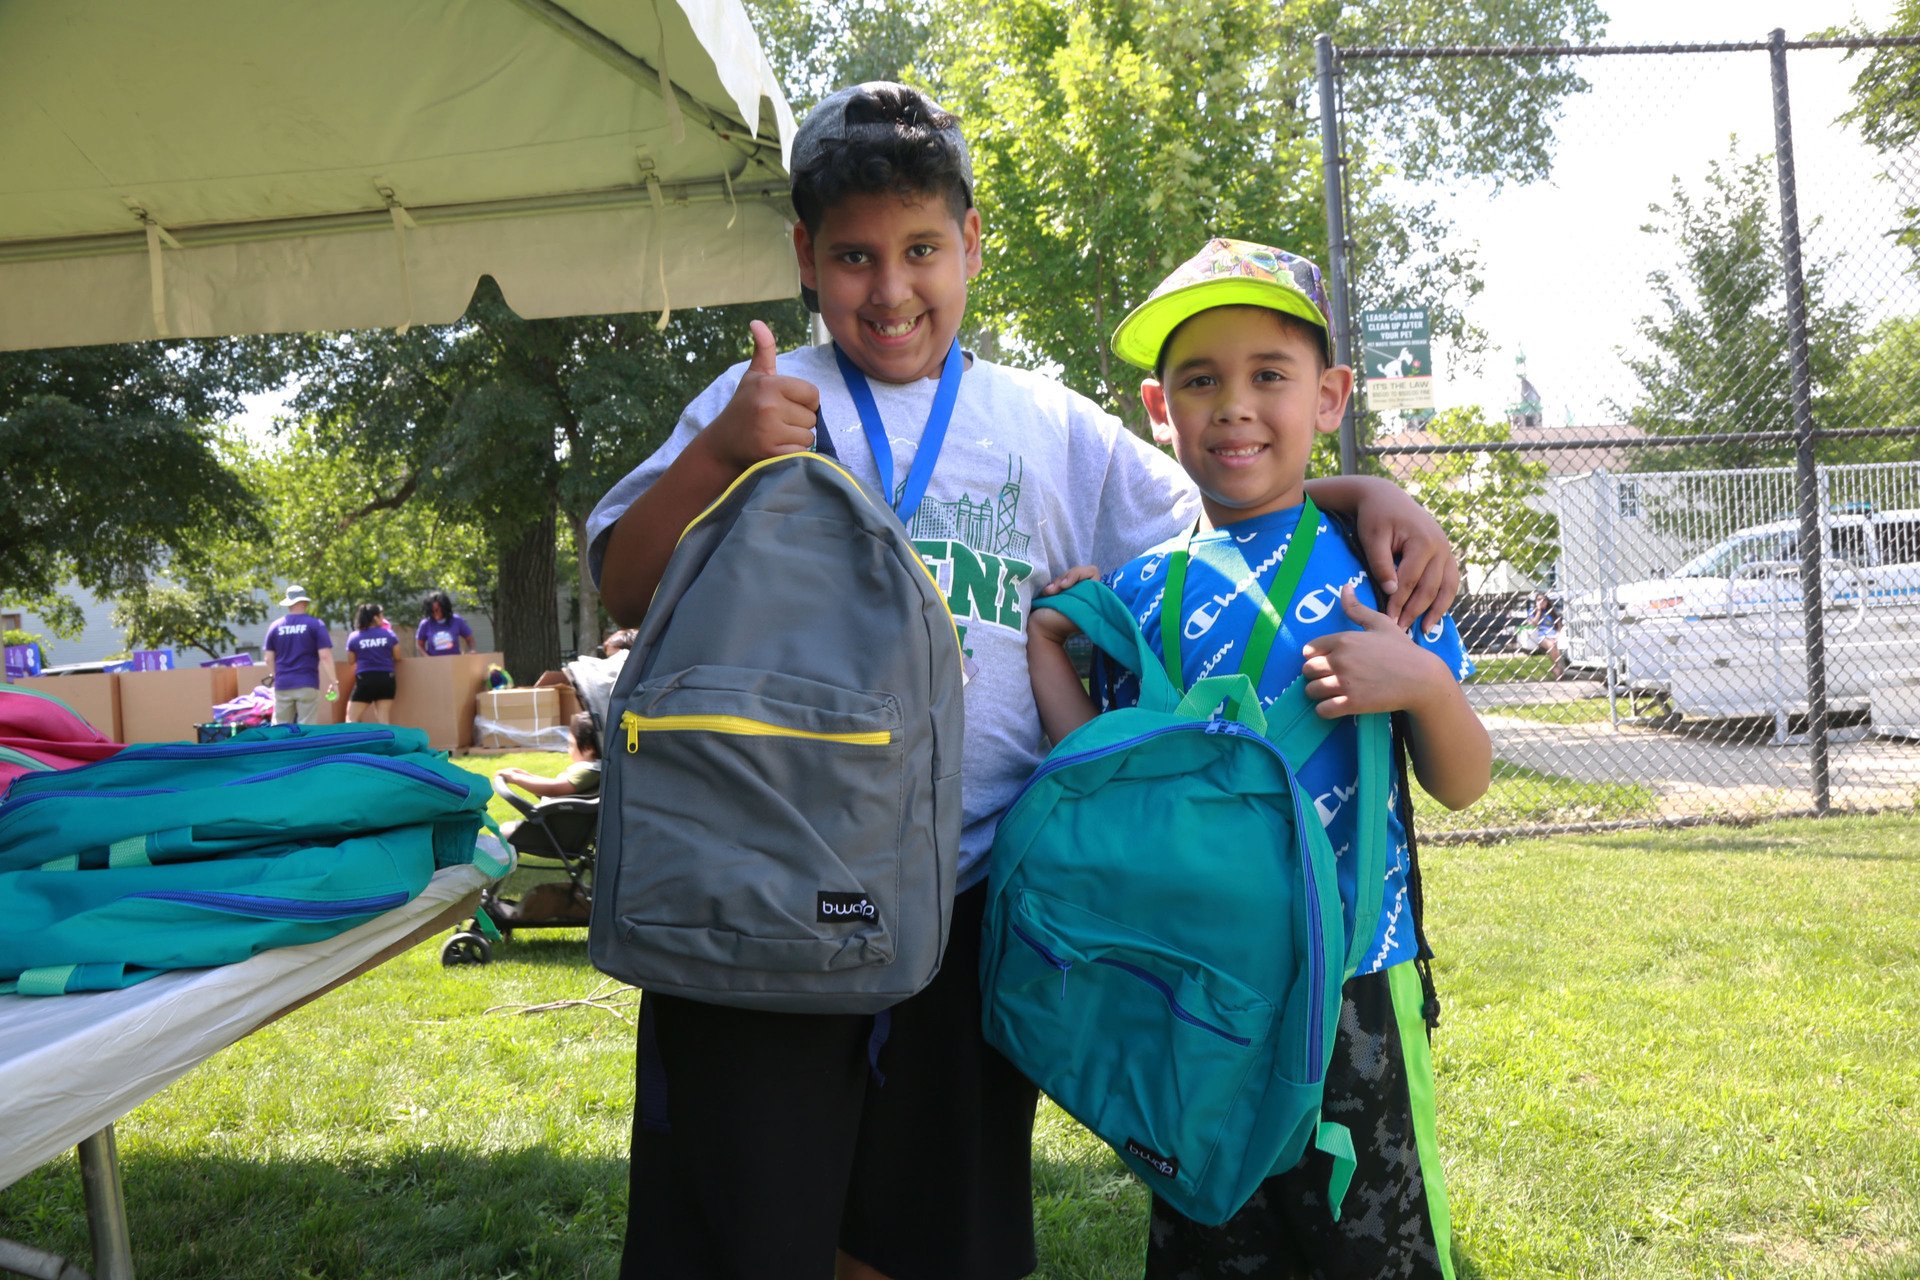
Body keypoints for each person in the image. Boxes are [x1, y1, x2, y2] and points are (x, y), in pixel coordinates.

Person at [585, 83, 1462, 1280]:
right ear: (804, 256)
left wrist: (1362, 495)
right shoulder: (762, 403)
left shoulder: (1047, 428)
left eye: (921, 250)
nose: (890, 289)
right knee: (751, 1229)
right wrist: (719, 450)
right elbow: (630, 583)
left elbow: (1226, 517)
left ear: (972, 242)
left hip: (970, 899)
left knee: (936, 1232)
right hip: (766, 901)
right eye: (852, 256)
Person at [1027, 238, 1493, 1280]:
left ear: (1329, 396)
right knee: (1211, 1237)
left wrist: (1419, 682)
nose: (1234, 405)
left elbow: (1463, 782)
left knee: (1375, 1253)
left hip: (1358, 990)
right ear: (1162, 408)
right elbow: (1099, 772)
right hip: (1197, 992)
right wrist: (1048, 646)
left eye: (1268, 376)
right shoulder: (1144, 590)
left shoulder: (1380, 569)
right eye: (1202, 380)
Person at [261, 585, 338, 725]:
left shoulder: (275, 626)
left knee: (280, 728)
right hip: (307, 683)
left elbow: (268, 658)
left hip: (283, 684)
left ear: (288, 603)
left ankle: (277, 747)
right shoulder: (315, 624)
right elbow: (325, 656)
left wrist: (276, 676)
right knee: (306, 728)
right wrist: (334, 682)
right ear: (305, 602)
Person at [494, 711, 602, 804]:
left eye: (571, 744)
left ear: (588, 748)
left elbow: (553, 788)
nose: (568, 749)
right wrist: (527, 776)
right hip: (558, 819)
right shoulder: (592, 770)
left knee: (507, 828)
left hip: (559, 823)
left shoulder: (590, 771)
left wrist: (515, 778)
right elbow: (551, 786)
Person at [344, 603, 401, 723]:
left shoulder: (354, 637)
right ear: (375, 618)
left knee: (352, 718)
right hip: (387, 679)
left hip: (366, 680)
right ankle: (387, 741)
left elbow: (351, 661)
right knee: (383, 717)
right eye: (381, 615)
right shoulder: (389, 634)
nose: (383, 618)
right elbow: (397, 656)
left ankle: (352, 741)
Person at [415, 590, 475, 656]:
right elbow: (419, 645)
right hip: (434, 663)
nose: (434, 613)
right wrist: (427, 658)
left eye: (436, 610)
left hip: (454, 662)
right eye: (431, 611)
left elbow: (470, 639)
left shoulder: (457, 620)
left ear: (444, 608)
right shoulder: (425, 623)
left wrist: (472, 650)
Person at [1523, 590, 1567, 678]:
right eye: (1539, 600)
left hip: (1554, 635)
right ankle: (1558, 668)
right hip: (1540, 636)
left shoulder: (1551, 611)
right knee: (1551, 645)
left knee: (1558, 644)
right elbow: (1533, 624)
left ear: (1547, 601)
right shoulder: (1532, 611)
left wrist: (1557, 636)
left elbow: (1559, 625)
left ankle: (1557, 668)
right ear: (1536, 602)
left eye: (1544, 600)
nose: (1541, 602)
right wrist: (1539, 611)